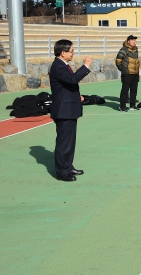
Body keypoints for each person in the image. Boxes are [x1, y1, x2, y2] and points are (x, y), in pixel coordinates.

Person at [49, 39, 92, 182]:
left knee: (70, 141)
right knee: (64, 142)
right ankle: (62, 172)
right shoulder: (58, 66)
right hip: (63, 110)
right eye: (71, 51)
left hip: (68, 107)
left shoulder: (63, 64)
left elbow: (66, 85)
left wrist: (75, 96)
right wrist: (85, 66)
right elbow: (72, 80)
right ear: (63, 52)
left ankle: (68, 166)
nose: (73, 53)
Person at [115, 35, 140, 112]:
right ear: (128, 41)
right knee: (125, 90)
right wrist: (123, 69)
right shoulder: (123, 50)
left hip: (135, 73)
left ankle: (132, 106)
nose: (134, 42)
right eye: (132, 40)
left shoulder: (136, 49)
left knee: (134, 90)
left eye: (135, 40)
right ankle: (122, 107)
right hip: (127, 74)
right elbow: (118, 61)